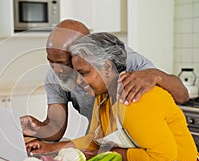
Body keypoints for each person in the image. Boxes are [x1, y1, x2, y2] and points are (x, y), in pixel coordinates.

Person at [26, 32, 198, 161]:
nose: (78, 81)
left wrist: (112, 154)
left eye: (83, 73)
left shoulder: (133, 98)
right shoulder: (103, 96)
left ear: (107, 67)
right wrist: (50, 148)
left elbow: (162, 157)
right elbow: (93, 139)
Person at [20, 19, 189, 142]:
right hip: (100, 144)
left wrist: (155, 75)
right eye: (51, 61)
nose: (57, 70)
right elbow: (56, 125)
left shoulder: (124, 59)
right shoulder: (54, 77)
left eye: (64, 63)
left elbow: (182, 96)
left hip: (146, 146)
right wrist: (37, 129)